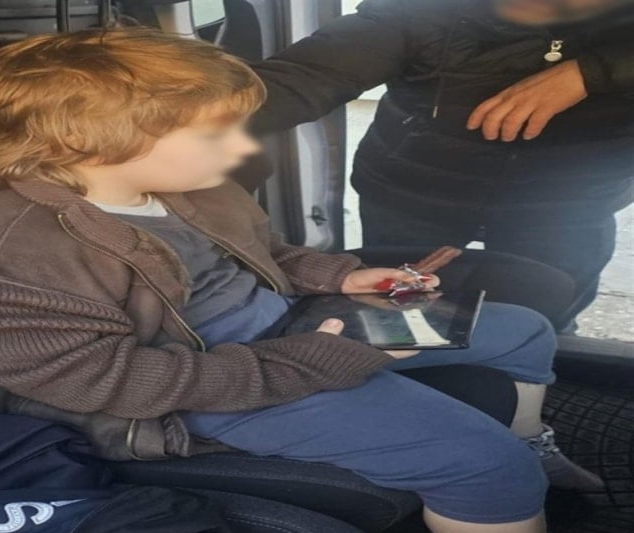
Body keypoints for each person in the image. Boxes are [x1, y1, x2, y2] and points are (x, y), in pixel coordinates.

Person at [0, 28, 589, 533]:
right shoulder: (3, 256)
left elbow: (268, 254)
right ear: (88, 141)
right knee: (481, 462)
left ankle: (533, 444)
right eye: (216, 135)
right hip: (186, 395)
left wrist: (342, 278)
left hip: (284, 332)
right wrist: (314, 364)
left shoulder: (185, 186)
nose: (244, 149)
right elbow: (105, 383)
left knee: (522, 329)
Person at [249, 0, 634, 329]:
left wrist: (593, 72)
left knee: (546, 319)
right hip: (414, 192)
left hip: (570, 204)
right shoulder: (425, 10)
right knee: (396, 314)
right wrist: (214, 117)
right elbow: (305, 74)